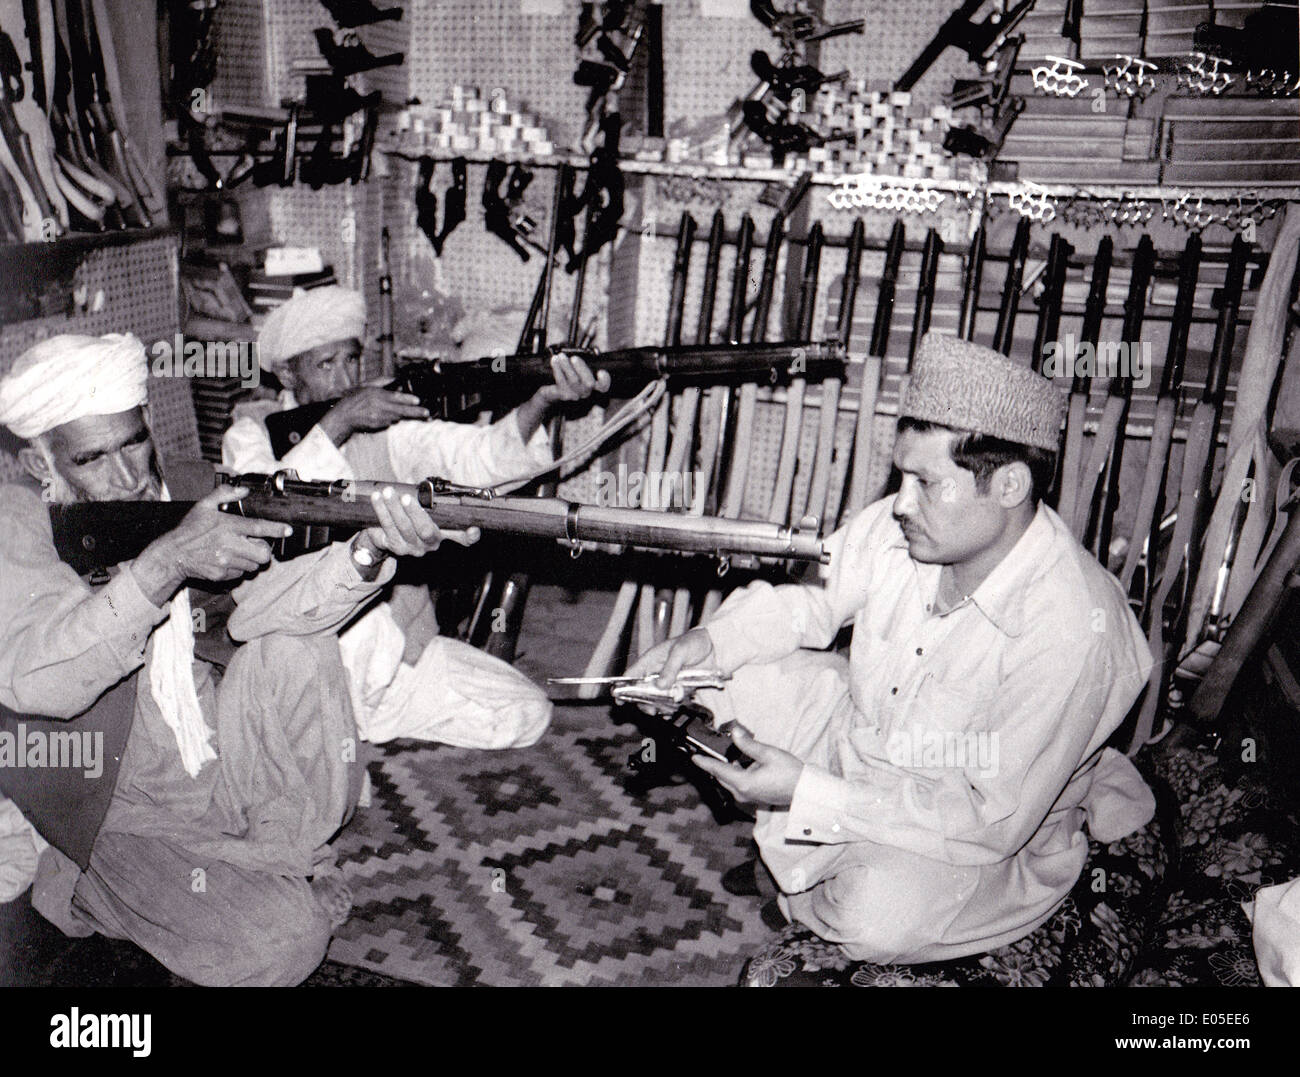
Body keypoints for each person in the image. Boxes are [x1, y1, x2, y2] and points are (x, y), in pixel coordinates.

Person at [630, 333, 1157, 964]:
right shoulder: (907, 525)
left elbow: (986, 818)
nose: (900, 503)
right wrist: (704, 641)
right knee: (710, 685)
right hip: (867, 745)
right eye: (902, 475)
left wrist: (807, 792)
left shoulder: (1074, 628)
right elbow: (809, 605)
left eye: (926, 482)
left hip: (971, 821)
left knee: (877, 920)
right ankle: (810, 861)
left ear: (1010, 485)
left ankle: (807, 884)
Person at [0, 332, 462, 985]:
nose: (128, 475)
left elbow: (272, 603)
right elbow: (40, 680)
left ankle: (272, 859)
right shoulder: (14, 527)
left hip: (212, 752)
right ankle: (104, 891)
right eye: (93, 458)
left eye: (134, 442)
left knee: (298, 646)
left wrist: (367, 550)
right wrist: (163, 565)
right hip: (112, 802)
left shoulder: (187, 487)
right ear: (40, 463)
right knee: (287, 943)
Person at [223, 285, 609, 749]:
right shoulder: (251, 434)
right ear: (288, 373)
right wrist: (337, 423)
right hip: (302, 643)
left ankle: (350, 722)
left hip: (395, 646)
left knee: (529, 709)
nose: (344, 380)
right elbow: (270, 505)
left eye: (351, 360)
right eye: (326, 365)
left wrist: (541, 402)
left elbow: (477, 456)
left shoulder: (381, 425)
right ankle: (334, 721)